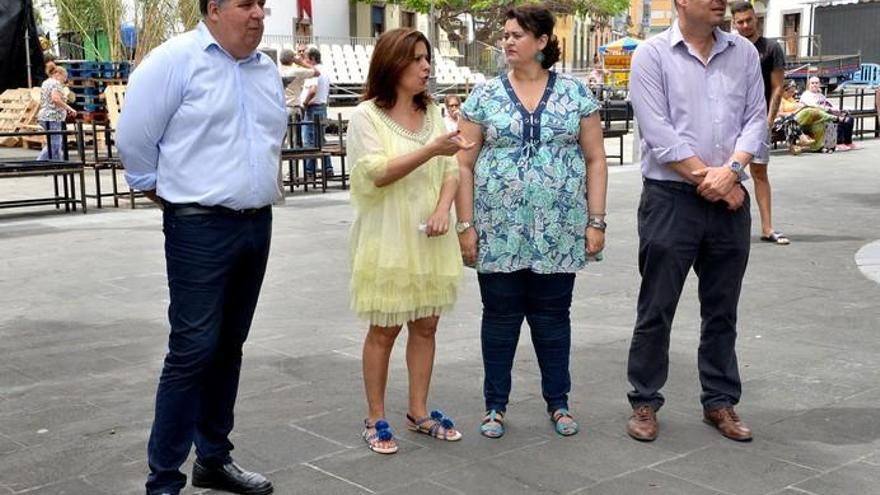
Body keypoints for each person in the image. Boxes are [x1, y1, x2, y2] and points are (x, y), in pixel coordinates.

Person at [116, 0, 288, 491]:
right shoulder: (174, 61)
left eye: (262, 5)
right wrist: (176, 198)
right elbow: (135, 142)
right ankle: (163, 479)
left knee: (229, 347)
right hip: (199, 227)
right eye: (246, 4)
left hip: (256, 224)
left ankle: (213, 457)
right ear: (213, 9)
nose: (258, 14)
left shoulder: (265, 70)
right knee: (192, 350)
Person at [456, 4, 608, 439]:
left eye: (517, 34)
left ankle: (558, 402)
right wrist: (466, 226)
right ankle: (495, 406)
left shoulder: (576, 95)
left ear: (542, 42)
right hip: (498, 230)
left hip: (559, 229)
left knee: (553, 317)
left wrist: (596, 221)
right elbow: (462, 165)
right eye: (505, 34)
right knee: (499, 318)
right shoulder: (483, 96)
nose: (507, 41)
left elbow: (596, 160)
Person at [625, 0, 766, 443]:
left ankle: (720, 401)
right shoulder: (651, 55)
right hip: (671, 198)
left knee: (722, 310)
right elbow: (657, 130)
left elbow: (756, 119)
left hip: (729, 200)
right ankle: (645, 400)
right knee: (656, 308)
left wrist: (734, 171)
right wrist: (720, 180)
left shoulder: (742, 52)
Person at [348, 28, 473, 455]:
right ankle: (375, 416)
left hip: (430, 233)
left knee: (427, 324)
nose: (426, 67)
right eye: (417, 59)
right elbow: (376, 174)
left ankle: (418, 411)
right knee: (384, 327)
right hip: (389, 235)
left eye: (427, 58)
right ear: (393, 64)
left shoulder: (433, 111)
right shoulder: (365, 116)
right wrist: (431, 150)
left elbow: (453, 169)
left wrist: (444, 210)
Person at [731, 1, 789, 245]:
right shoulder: (732, 47)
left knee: (759, 172)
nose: (745, 25)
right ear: (734, 23)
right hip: (733, 119)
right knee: (729, 171)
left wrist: (768, 121)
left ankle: (767, 227)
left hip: (758, 118)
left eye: (748, 20)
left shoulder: (771, 48)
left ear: (756, 19)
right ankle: (727, 228)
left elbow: (777, 88)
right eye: (740, 22)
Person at [800, 76, 857, 151]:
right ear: (808, 85)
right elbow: (814, 106)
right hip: (815, 116)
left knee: (849, 119)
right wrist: (828, 109)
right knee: (838, 120)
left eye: (816, 83)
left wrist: (836, 109)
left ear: (819, 84)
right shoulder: (806, 95)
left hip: (826, 112)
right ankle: (838, 142)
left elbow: (828, 104)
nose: (814, 85)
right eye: (812, 83)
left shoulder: (820, 95)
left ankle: (848, 141)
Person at [779, 80, 837, 153]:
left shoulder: (791, 99)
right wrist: (792, 113)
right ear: (783, 90)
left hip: (801, 120)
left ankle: (817, 147)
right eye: (790, 92)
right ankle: (833, 117)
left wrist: (800, 106)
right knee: (809, 110)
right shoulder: (780, 100)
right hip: (791, 119)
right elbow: (779, 113)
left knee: (818, 123)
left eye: (793, 92)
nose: (792, 94)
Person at [301, 46, 333, 177]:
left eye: (306, 58)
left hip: (312, 107)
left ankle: (310, 170)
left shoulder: (313, 72)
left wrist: (304, 103)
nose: (304, 61)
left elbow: (312, 90)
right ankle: (327, 168)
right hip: (322, 106)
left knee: (310, 141)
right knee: (320, 141)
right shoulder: (325, 70)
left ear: (312, 59)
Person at [36, 62, 76, 161]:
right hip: (53, 116)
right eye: (64, 77)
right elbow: (56, 99)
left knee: (57, 142)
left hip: (45, 115)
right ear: (58, 74)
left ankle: (58, 164)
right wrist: (69, 108)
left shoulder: (46, 82)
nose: (64, 80)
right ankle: (39, 163)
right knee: (54, 144)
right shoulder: (55, 83)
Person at [278, 47, 318, 122]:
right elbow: (317, 72)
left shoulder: (276, 71)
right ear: (292, 59)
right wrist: (301, 62)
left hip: (281, 108)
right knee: (295, 133)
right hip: (293, 108)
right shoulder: (296, 71)